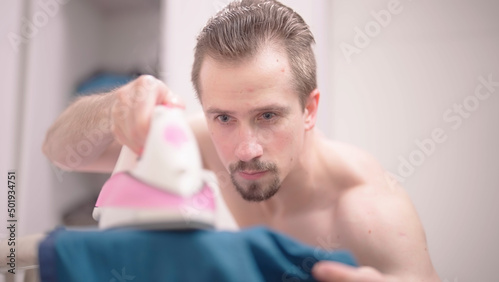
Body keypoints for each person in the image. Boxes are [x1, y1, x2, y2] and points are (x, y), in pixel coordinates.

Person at [43, 0, 440, 281]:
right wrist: (115, 107)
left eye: (268, 116)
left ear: (310, 110)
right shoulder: (198, 139)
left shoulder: (368, 212)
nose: (245, 149)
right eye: (224, 118)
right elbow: (60, 151)